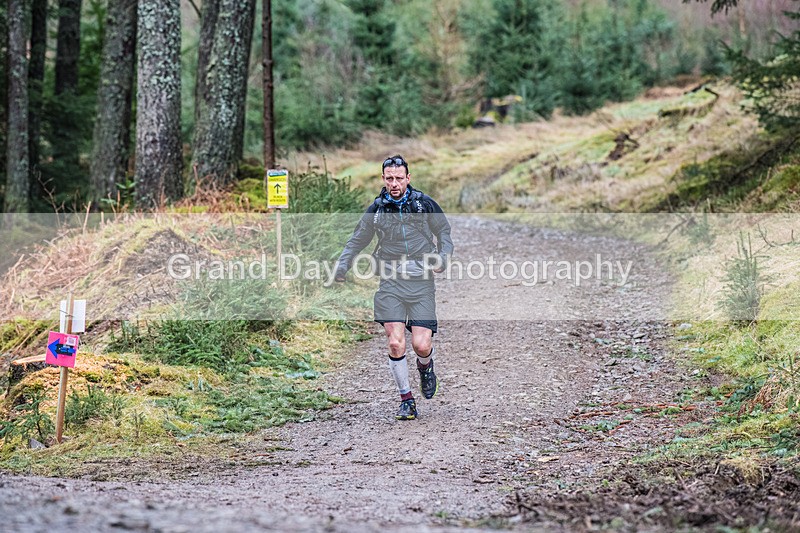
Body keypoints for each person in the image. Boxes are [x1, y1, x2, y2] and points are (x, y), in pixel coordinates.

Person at [334, 155, 454, 420]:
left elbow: (444, 231)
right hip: (390, 283)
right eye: (389, 178)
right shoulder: (377, 210)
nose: (394, 183)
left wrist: (443, 257)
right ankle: (406, 400)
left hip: (421, 283)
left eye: (399, 178)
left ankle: (425, 366)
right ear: (383, 179)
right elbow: (357, 240)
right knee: (395, 343)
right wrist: (342, 266)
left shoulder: (423, 204)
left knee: (421, 345)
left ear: (408, 178)